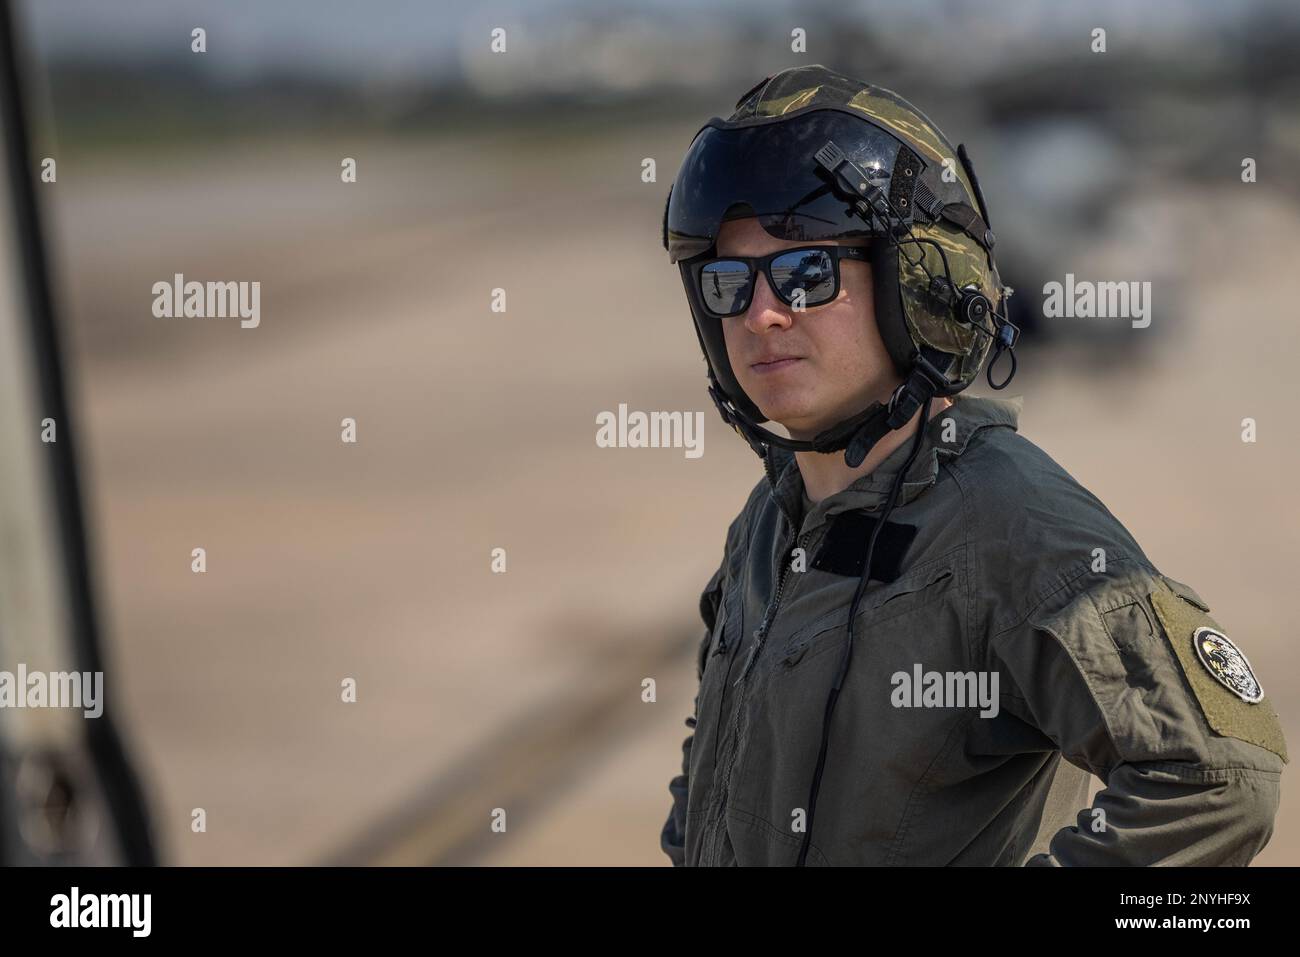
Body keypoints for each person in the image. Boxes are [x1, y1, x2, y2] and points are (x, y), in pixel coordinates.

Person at [657, 64, 1287, 866]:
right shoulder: (776, 513)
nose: (761, 314)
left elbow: (1220, 778)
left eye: (805, 272)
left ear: (920, 284)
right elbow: (716, 755)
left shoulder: (1009, 525)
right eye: (727, 281)